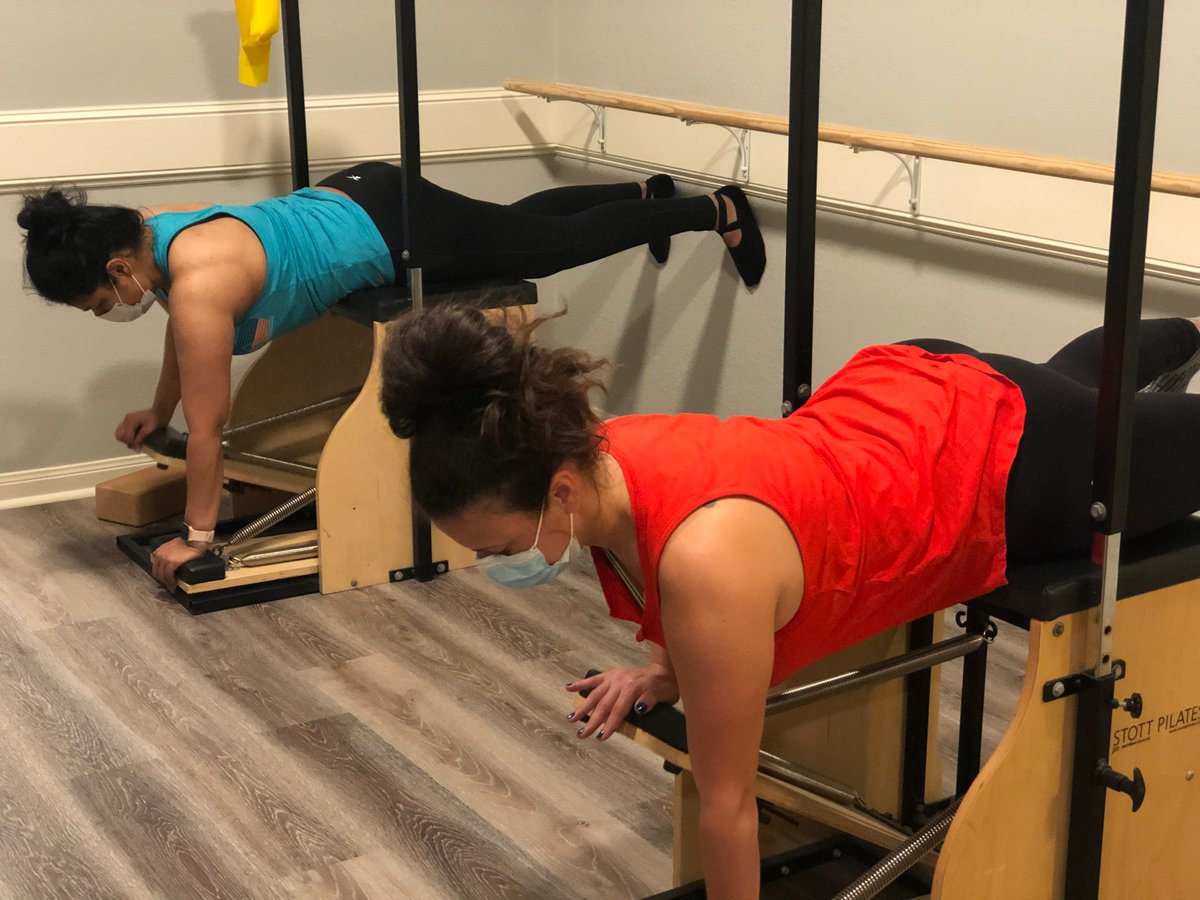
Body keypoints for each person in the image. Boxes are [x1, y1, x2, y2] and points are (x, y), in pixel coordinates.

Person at [376, 302, 1200, 899]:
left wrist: (687, 664)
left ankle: (1174, 346)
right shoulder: (601, 457)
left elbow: (731, 805)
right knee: (1083, 398)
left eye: (499, 549)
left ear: (557, 492)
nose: (495, 565)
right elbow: (687, 560)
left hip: (991, 454)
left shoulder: (705, 564)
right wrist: (672, 672)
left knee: (1128, 429)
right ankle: (1179, 331)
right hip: (899, 393)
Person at [17, 162, 765, 589]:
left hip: (392, 222)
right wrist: (157, 409)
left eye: (95, 303)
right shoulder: (152, 230)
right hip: (360, 197)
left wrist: (199, 535)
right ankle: (644, 197)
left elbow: (210, 425)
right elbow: (185, 349)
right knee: (510, 230)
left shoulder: (200, 288)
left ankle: (712, 209)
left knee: (537, 252)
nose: (103, 314)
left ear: (117, 268)